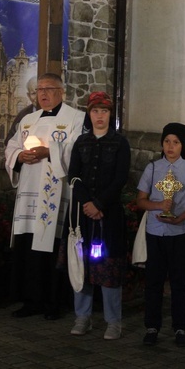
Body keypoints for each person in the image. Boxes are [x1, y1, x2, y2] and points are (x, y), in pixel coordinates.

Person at [5, 73, 85, 320]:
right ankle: (32, 300)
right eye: (40, 89)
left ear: (62, 92)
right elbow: (11, 145)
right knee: (29, 246)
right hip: (29, 193)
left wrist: (49, 151)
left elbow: (77, 149)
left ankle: (54, 303)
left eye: (49, 88)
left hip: (55, 194)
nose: (43, 93)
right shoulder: (27, 119)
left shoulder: (75, 117)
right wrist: (19, 156)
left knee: (52, 247)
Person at [66, 92, 131, 340]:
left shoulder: (120, 143)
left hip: (109, 214)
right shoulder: (81, 142)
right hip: (83, 215)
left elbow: (120, 178)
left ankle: (113, 321)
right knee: (81, 264)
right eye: (95, 111)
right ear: (89, 113)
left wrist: (100, 203)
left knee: (108, 266)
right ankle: (82, 317)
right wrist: (87, 203)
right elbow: (74, 175)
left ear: (109, 114)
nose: (100, 116)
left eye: (104, 111)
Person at [137, 122, 185, 347]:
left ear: (183, 145)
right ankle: (152, 325)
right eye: (166, 142)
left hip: (180, 233)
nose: (170, 146)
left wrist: (180, 217)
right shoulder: (153, 168)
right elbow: (141, 200)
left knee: (179, 281)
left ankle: (180, 327)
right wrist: (159, 206)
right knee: (154, 281)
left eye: (175, 142)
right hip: (155, 232)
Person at [4, 76, 38, 146]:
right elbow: (9, 141)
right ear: (28, 96)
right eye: (33, 93)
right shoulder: (22, 115)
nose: (37, 97)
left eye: (39, 92)